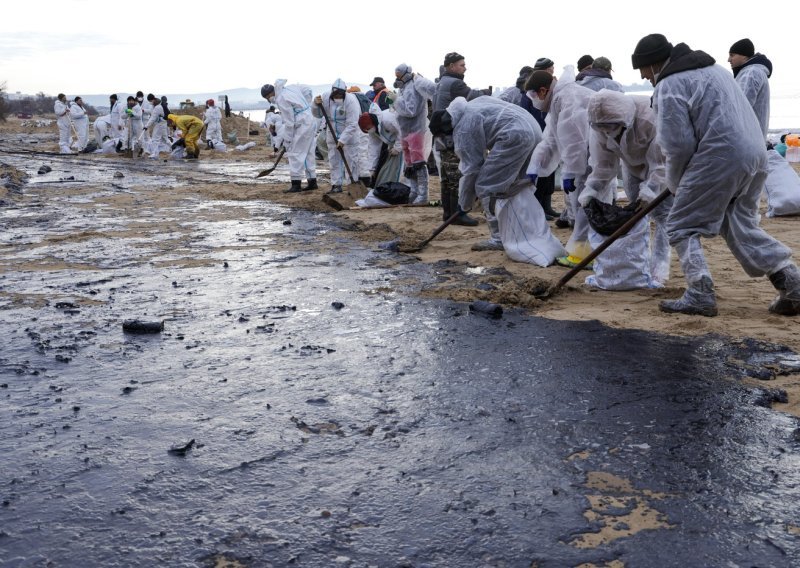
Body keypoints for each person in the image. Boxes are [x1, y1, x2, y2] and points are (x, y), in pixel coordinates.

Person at [631, 33, 800, 316]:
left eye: (642, 70)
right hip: (755, 154)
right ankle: (793, 284)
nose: (644, 77)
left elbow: (677, 145)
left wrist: (675, 183)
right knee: (739, 225)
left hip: (720, 156)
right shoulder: (715, 71)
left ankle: (699, 292)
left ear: (652, 64)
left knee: (681, 224)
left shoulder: (670, 85)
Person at [429, 96, 564, 263]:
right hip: (533, 132)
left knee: (487, 186)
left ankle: (498, 238)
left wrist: (464, 203)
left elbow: (471, 169)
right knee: (515, 186)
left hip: (514, 137)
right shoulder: (472, 105)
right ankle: (521, 229)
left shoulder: (463, 128)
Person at [581, 88, 674, 285]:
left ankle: (658, 270)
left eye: (611, 126)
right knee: (637, 214)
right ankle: (638, 265)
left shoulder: (650, 119)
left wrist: (649, 192)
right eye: (603, 127)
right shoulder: (599, 127)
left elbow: (660, 165)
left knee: (664, 216)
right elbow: (603, 165)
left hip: (664, 167)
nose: (607, 131)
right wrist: (591, 189)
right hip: (632, 167)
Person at [525, 68, 595, 268]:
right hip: (588, 158)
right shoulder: (558, 100)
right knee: (583, 204)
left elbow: (574, 141)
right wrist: (535, 167)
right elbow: (550, 139)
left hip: (592, 158)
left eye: (533, 96)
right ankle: (585, 252)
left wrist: (571, 172)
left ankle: (582, 256)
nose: (534, 101)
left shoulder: (567, 97)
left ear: (543, 91)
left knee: (585, 203)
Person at [432, 52, 489, 223]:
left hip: (441, 134)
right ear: (451, 66)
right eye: (462, 65)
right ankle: (458, 214)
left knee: (446, 177)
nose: (465, 67)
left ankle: (448, 214)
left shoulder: (441, 82)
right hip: (451, 135)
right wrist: (488, 92)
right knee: (457, 175)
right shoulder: (456, 83)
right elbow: (472, 97)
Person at [519, 58, 561, 221]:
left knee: (549, 172)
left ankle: (546, 206)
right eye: (550, 69)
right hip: (537, 135)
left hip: (547, 134)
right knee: (539, 174)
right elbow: (526, 114)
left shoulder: (550, 89)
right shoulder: (530, 90)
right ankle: (539, 207)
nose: (552, 72)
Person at [261, 81, 317, 192]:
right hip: (309, 119)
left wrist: (287, 141)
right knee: (308, 152)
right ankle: (312, 181)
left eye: (268, 97)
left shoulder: (281, 98)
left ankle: (296, 184)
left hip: (302, 124)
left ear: (270, 94)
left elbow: (289, 123)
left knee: (295, 153)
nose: (269, 99)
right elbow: (307, 89)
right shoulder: (289, 88)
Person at [393, 63, 436, 204]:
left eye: (399, 76)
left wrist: (396, 101)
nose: (397, 79)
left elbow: (411, 110)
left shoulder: (413, 87)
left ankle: (423, 194)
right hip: (405, 130)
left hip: (416, 129)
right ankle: (414, 191)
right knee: (409, 162)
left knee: (418, 162)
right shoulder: (404, 88)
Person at [312, 79, 363, 193]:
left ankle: (352, 185)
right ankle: (336, 185)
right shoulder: (325, 97)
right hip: (332, 132)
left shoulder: (351, 101)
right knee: (334, 160)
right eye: (336, 94)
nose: (338, 97)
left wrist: (343, 139)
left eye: (341, 95)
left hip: (350, 134)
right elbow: (318, 114)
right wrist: (315, 104)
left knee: (351, 161)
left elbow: (352, 123)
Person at [728, 38, 772, 139]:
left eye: (732, 55)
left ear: (744, 55)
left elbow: (740, 108)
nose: (729, 59)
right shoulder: (752, 72)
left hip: (748, 138)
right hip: (754, 137)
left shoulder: (751, 73)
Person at [358, 107, 403, 187]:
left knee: (404, 169)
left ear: (373, 122)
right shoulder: (373, 129)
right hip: (395, 144)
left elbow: (402, 131)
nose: (368, 131)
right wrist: (372, 169)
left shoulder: (388, 120)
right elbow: (374, 149)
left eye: (368, 128)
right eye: (366, 130)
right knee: (390, 169)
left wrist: (398, 147)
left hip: (411, 137)